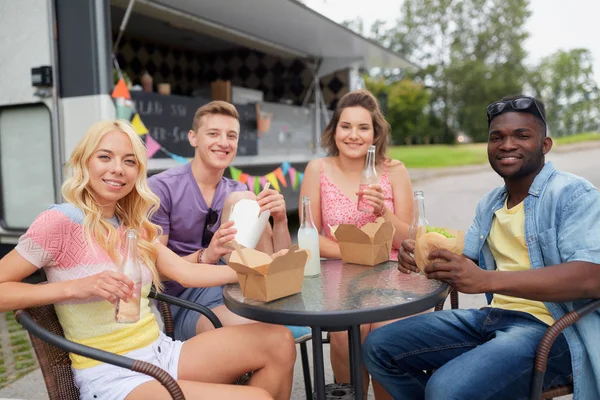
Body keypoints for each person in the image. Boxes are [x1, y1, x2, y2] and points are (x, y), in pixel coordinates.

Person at [0, 120, 296, 400]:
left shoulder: (130, 224)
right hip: (112, 374)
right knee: (257, 397)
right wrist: (76, 288)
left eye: (129, 161)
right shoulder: (59, 222)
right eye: (105, 157)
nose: (118, 169)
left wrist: (262, 268)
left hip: (159, 354)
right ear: (84, 162)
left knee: (279, 341)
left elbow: (186, 273)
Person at [363, 95, 600, 400]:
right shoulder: (490, 203)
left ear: (545, 145)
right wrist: (424, 257)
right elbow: (464, 260)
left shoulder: (572, 194)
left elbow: (590, 276)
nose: (507, 144)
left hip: (554, 331)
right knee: (379, 346)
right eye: (496, 137)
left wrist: (487, 280)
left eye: (522, 135)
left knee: (446, 389)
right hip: (493, 318)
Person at [148, 101, 309, 341]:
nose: (223, 142)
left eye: (231, 136)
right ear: (193, 138)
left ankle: (266, 303)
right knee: (272, 335)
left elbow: (278, 262)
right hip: (188, 305)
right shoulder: (162, 187)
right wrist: (207, 255)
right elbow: (153, 272)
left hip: (244, 292)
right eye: (213, 133)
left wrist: (281, 219)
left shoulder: (238, 189)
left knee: (244, 199)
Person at [299, 89, 414, 399]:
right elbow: (310, 236)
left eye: (363, 127)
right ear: (334, 130)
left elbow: (410, 238)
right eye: (345, 126)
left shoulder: (394, 171)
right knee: (345, 332)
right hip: (339, 272)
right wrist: (358, 254)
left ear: (375, 133)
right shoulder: (317, 169)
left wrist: (383, 212)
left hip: (393, 270)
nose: (353, 135)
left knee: (384, 334)